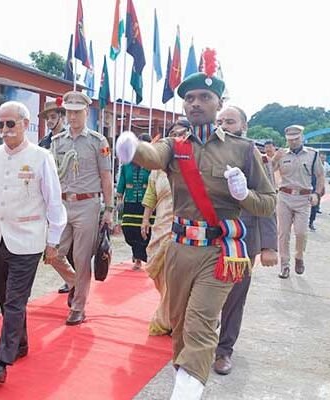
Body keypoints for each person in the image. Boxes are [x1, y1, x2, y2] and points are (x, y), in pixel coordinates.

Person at [116, 61, 276, 399]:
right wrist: (133, 147)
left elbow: (268, 203)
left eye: (204, 97)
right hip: (179, 250)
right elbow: (153, 155)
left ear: (219, 103)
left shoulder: (242, 150)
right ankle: (186, 379)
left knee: (200, 322)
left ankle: (186, 393)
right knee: (178, 325)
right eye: (189, 98)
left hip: (219, 252)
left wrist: (244, 195)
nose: (195, 103)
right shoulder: (175, 146)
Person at [0, 101, 66, 383]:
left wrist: (53, 240)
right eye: (0, 124)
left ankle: (1, 361)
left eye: (10, 124)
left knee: (16, 300)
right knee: (7, 300)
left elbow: (54, 203)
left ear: (25, 125)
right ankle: (20, 343)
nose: (4, 130)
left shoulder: (41, 157)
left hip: (28, 240)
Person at [213, 106, 278, 375]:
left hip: (242, 238)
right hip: (208, 235)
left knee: (234, 298)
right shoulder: (205, 151)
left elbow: (268, 202)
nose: (224, 126)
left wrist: (269, 246)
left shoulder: (254, 156)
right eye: (220, 121)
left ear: (244, 126)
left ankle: (224, 350)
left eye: (230, 121)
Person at [49, 91, 114, 326]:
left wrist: (109, 209)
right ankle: (75, 283)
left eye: (77, 112)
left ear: (86, 112)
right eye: (69, 112)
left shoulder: (98, 141)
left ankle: (78, 307)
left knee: (81, 257)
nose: (73, 117)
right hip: (62, 204)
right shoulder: (57, 141)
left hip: (88, 204)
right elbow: (51, 176)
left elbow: (106, 176)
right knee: (53, 253)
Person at [141, 120, 189, 336]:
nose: (177, 137)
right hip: (160, 224)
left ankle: (168, 319)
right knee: (157, 269)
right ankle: (173, 311)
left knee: (174, 273)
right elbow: (151, 194)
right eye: (173, 133)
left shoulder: (193, 162)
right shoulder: (158, 167)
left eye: (182, 133)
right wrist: (145, 219)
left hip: (182, 227)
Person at [272, 125, 325, 279]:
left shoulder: (313, 155)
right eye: (290, 140)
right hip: (284, 196)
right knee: (283, 233)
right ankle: (284, 265)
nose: (293, 142)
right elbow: (268, 172)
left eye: (296, 139)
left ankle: (299, 256)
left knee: (301, 232)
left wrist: (317, 194)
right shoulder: (281, 154)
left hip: (304, 198)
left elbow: (320, 175)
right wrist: (274, 159)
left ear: (302, 137)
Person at [37, 97, 76, 294]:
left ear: (62, 117)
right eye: (47, 118)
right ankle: (74, 280)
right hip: (50, 199)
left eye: (53, 117)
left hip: (71, 198)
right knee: (52, 247)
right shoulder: (44, 143)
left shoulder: (71, 140)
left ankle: (75, 282)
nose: (50, 121)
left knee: (71, 247)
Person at [117, 133, 152, 271]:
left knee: (144, 231)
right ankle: (136, 253)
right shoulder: (127, 163)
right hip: (130, 200)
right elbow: (122, 179)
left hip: (146, 202)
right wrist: (119, 197)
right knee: (128, 229)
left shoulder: (152, 163)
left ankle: (138, 258)